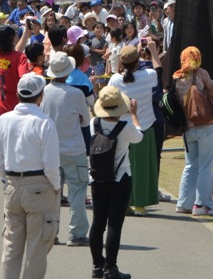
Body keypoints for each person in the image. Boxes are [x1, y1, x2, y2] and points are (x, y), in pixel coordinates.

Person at [0, 72, 61, 279]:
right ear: (40, 96)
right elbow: (51, 164)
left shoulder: (4, 119)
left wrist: (6, 179)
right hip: (39, 185)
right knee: (37, 248)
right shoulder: (44, 122)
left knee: (11, 246)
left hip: (12, 184)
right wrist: (56, 186)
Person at [88, 85, 142, 279]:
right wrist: (134, 115)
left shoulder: (94, 123)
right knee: (114, 225)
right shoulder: (126, 127)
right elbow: (139, 137)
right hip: (120, 178)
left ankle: (96, 265)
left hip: (97, 178)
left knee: (97, 223)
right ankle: (111, 268)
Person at [41, 52, 91, 246]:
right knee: (78, 192)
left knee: (52, 193)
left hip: (51, 150)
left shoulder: (43, 92)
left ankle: (51, 233)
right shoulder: (76, 93)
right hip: (74, 149)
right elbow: (86, 120)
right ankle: (77, 234)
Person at [107, 45, 158, 215]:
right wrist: (153, 51)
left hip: (121, 127)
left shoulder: (115, 79)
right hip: (144, 126)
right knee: (141, 166)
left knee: (122, 167)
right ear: (138, 61)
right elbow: (159, 69)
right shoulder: (149, 75)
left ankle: (125, 202)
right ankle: (140, 204)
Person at [173, 45, 213, 216]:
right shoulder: (201, 73)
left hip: (186, 127)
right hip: (204, 124)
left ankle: (183, 202)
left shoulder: (177, 76)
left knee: (190, 165)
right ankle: (202, 205)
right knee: (207, 165)